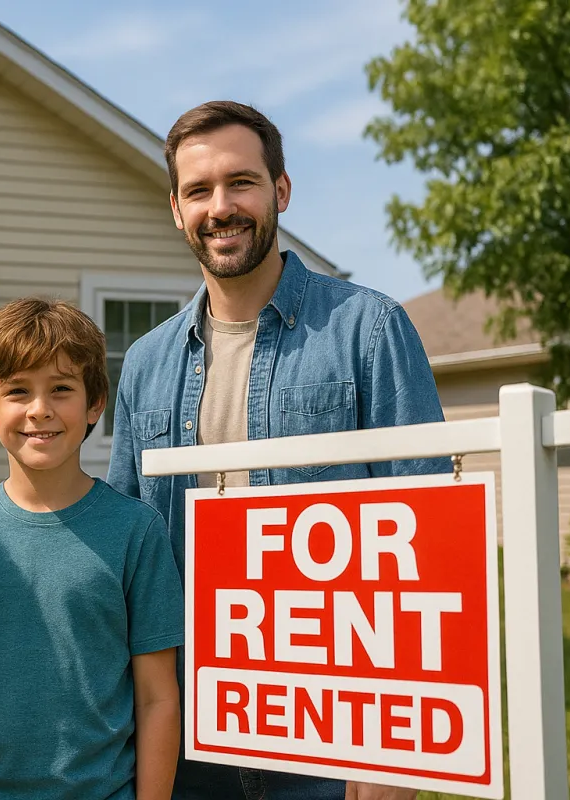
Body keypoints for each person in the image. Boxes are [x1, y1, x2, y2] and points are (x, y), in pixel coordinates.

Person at [107, 100, 447, 800]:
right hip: (191, 724)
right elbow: (131, 550)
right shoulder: (145, 363)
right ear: (176, 209)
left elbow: (427, 543)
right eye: (199, 191)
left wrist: (392, 760)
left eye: (242, 183)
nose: (220, 207)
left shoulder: (368, 330)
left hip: (331, 722)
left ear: (281, 191)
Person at [0, 298, 185, 800]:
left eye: (61, 389)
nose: (39, 409)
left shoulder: (137, 530)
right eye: (17, 391)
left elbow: (157, 699)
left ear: (94, 404)